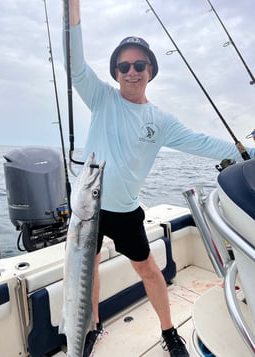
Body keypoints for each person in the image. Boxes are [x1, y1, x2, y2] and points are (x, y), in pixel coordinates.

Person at [63, 1, 255, 356]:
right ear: (115, 72)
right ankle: (91, 326)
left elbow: (201, 142)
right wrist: (73, 9)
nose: (131, 71)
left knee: (149, 270)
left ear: (150, 70)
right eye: (123, 66)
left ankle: (168, 331)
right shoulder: (102, 98)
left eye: (139, 65)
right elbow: (75, 67)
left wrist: (249, 152)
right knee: (86, 267)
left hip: (124, 211)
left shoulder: (161, 120)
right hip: (87, 207)